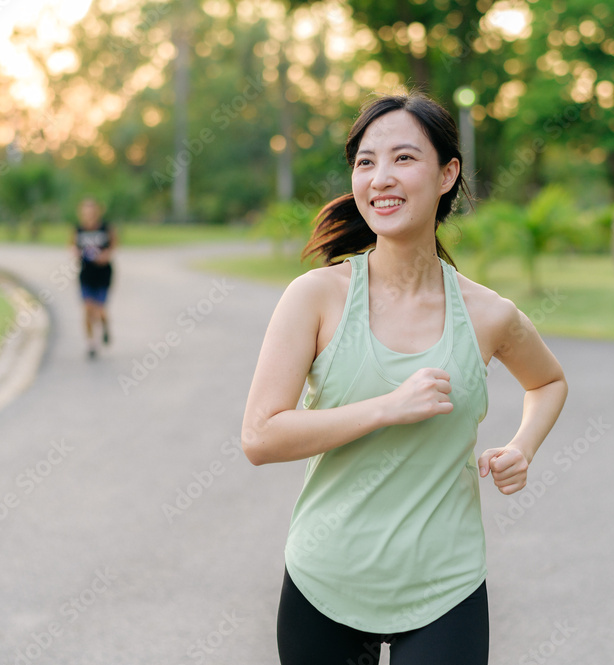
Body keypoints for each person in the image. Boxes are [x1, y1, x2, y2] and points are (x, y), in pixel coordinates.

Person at [241, 93, 568, 664]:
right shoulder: (316, 298)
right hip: (326, 582)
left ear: (447, 174)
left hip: (447, 588)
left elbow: (548, 382)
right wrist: (386, 407)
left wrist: (524, 446)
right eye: (366, 162)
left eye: (403, 159)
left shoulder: (489, 314)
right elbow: (260, 437)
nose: (381, 177)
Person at [72, 197, 116, 359]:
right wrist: (75, 252)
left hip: (103, 274)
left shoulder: (106, 228)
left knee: (100, 311)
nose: (89, 214)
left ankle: (105, 327)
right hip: (86, 274)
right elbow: (72, 246)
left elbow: (113, 246)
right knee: (87, 309)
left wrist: (105, 255)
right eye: (86, 211)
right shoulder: (79, 230)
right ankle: (91, 343)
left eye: (91, 210)